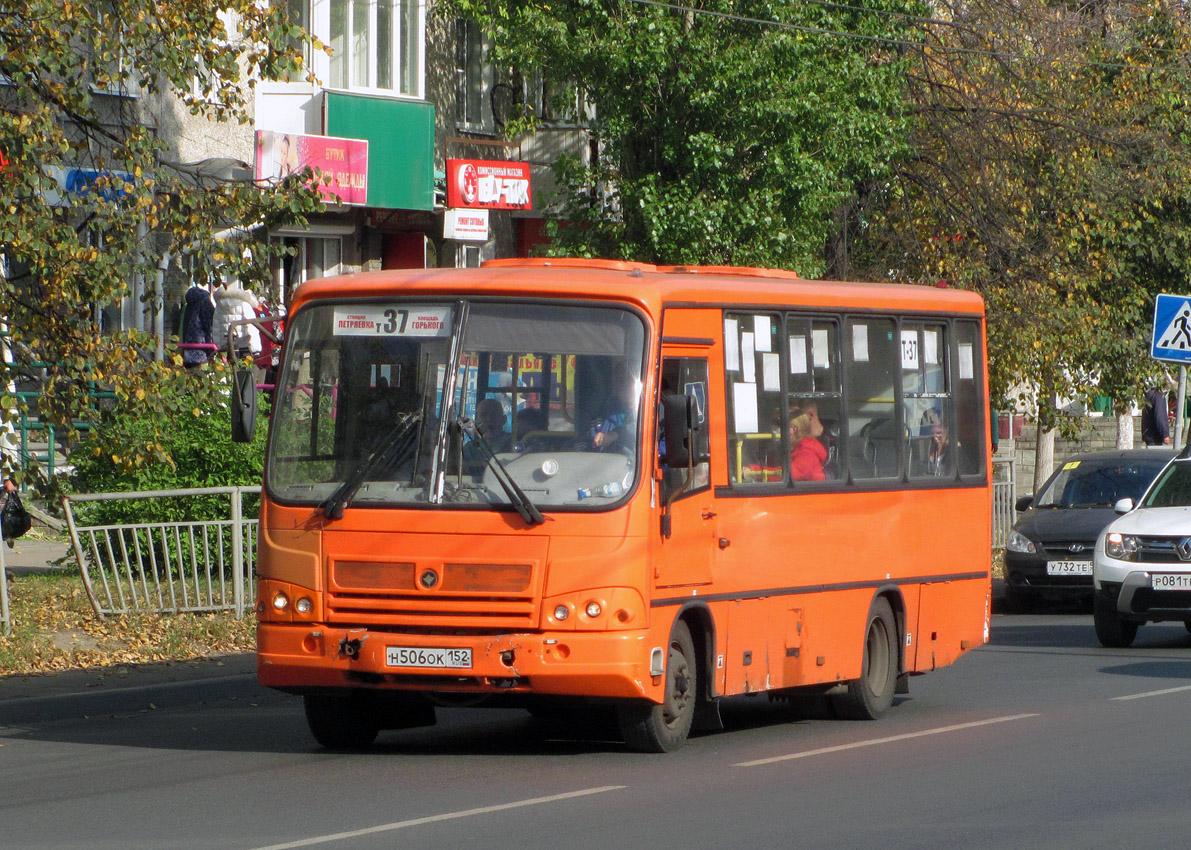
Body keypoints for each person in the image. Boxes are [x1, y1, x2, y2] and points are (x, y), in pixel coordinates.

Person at [590, 360, 639, 454]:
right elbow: (593, 435)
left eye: (624, 380)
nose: (620, 385)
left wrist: (614, 435)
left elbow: (640, 433)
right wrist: (595, 439)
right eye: (617, 380)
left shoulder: (649, 410)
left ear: (636, 382)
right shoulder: (606, 409)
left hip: (632, 465)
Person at [212, 280, 262, 361]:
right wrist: (255, 350)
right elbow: (251, 327)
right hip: (243, 346)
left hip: (226, 347)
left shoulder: (219, 305)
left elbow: (216, 329)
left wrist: (219, 348)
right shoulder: (244, 304)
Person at [179, 282, 215, 367]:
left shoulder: (188, 305)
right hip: (202, 349)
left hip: (188, 349)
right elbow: (209, 325)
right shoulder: (205, 302)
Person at [789, 403, 827, 481]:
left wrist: (757, 471)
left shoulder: (808, 453)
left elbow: (790, 475)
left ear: (794, 430)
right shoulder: (799, 449)